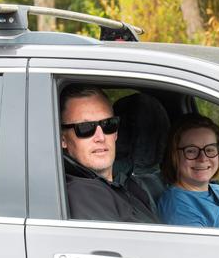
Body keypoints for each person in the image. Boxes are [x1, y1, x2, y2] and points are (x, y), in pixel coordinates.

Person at [60, 86, 159, 223]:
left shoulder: (131, 185)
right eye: (85, 127)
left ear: (116, 132)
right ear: (62, 139)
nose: (100, 137)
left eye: (108, 125)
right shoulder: (78, 196)